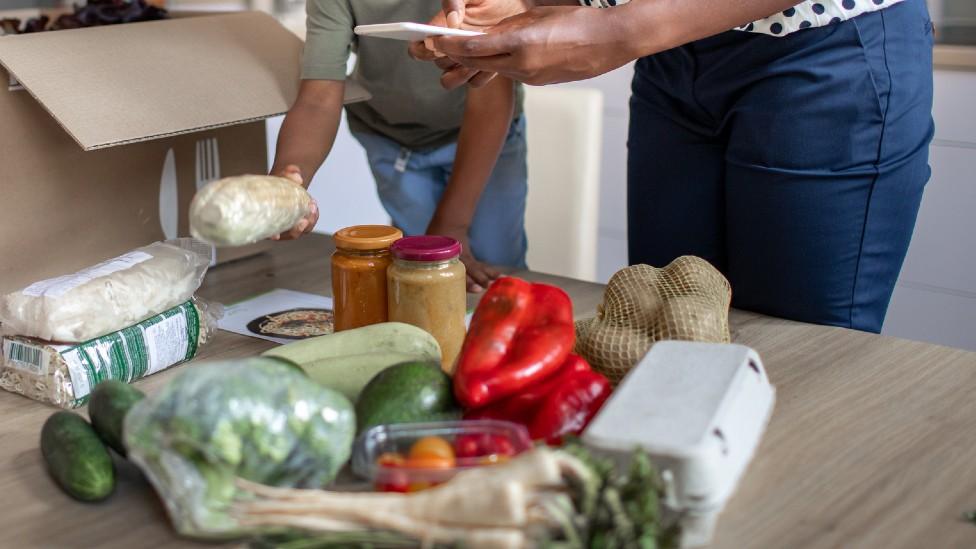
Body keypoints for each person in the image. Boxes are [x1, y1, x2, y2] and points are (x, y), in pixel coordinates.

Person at [417, 0, 934, 332]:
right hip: (671, 56)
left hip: (820, 44)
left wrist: (620, 30)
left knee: (799, 354)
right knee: (660, 324)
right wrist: (531, 7)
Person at [272, 0, 529, 293]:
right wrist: (288, 180)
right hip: (393, 140)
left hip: (485, 136)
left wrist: (453, 224)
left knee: (497, 268)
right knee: (422, 275)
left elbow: (489, 101)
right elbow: (318, 98)